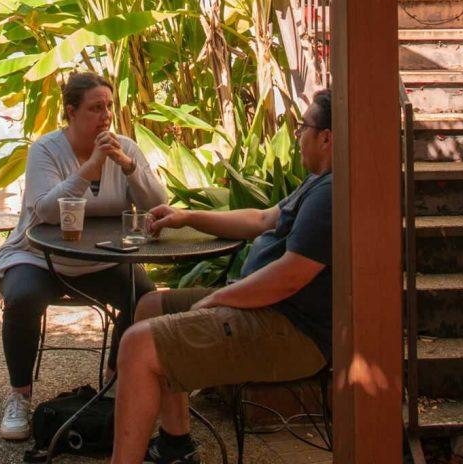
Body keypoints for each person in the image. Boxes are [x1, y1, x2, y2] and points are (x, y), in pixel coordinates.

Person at [111, 88, 334, 464]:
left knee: (137, 344)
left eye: (302, 127)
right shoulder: (317, 182)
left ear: (326, 137)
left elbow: (291, 276)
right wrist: (186, 216)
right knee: (150, 306)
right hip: (271, 314)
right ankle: (175, 446)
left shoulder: (330, 194)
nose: (297, 136)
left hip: (292, 331)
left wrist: (218, 299)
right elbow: (263, 219)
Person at [0, 71, 168, 442]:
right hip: (39, 256)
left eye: (108, 107)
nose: (105, 116)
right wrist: (90, 168)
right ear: (71, 112)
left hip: (101, 259)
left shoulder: (126, 149)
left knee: (144, 297)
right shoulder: (46, 150)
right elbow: (44, 211)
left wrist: (129, 166)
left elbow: (158, 207)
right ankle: (19, 397)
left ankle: (113, 385)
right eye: (94, 108)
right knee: (22, 298)